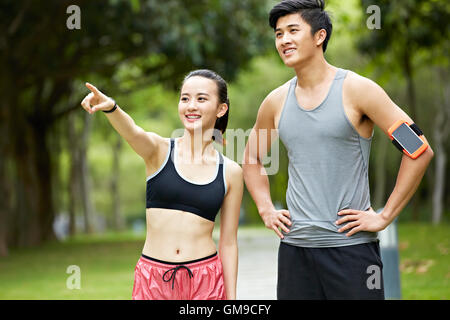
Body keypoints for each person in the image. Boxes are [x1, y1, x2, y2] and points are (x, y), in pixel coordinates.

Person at [242, 0, 434, 300]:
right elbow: (252, 158)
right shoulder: (275, 102)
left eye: (293, 30)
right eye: (279, 34)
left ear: (319, 36)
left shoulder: (359, 91)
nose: (284, 40)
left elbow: (418, 149)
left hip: (352, 252)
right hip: (295, 251)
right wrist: (265, 208)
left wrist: (385, 216)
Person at [80, 69, 243, 300]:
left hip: (205, 281)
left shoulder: (231, 172)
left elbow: (228, 243)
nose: (191, 106)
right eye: (185, 98)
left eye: (201, 99)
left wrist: (232, 300)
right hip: (153, 279)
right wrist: (110, 107)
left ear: (221, 108)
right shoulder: (159, 151)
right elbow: (133, 132)